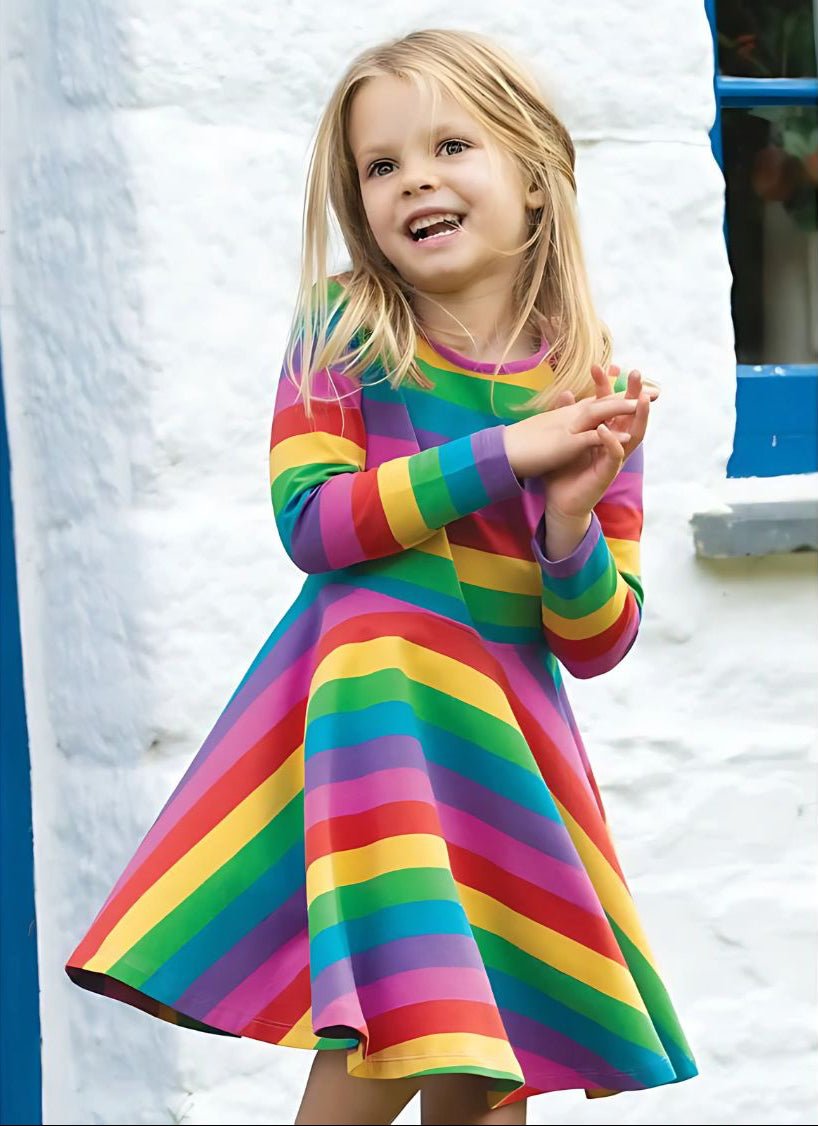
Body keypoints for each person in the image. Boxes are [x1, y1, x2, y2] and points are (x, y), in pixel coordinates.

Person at [65, 27, 698, 1126]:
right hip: (380, 724)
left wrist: (565, 519)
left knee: (486, 1068)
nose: (414, 179)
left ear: (534, 177)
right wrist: (505, 453)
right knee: (417, 1013)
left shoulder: (588, 389)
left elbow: (597, 640)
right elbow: (315, 521)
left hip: (503, 749)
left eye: (451, 146)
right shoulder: (348, 329)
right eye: (380, 164)